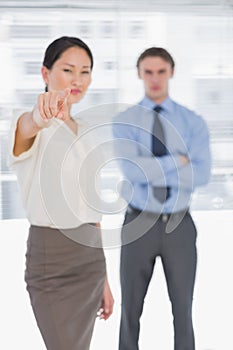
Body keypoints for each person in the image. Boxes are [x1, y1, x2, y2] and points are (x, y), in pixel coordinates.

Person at [8, 36, 114, 350]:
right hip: (51, 261)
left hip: (90, 260)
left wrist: (105, 278)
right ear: (45, 73)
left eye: (85, 71)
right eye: (68, 70)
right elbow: (28, 126)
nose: (77, 79)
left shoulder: (86, 132)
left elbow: (93, 211)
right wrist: (40, 116)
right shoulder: (28, 121)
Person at [112, 47, 211, 349]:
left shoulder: (192, 122)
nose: (155, 79)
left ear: (171, 73)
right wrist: (178, 161)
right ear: (139, 74)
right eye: (148, 72)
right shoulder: (125, 120)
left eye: (161, 72)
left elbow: (202, 174)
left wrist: (152, 168)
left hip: (179, 225)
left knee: (183, 311)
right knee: (130, 311)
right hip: (137, 224)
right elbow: (132, 171)